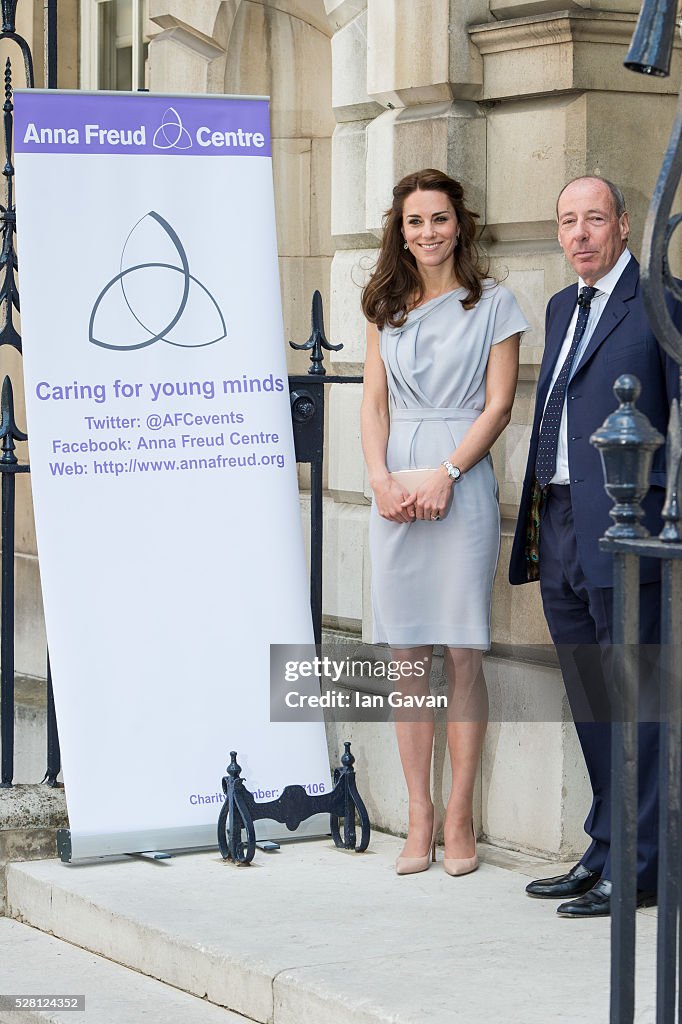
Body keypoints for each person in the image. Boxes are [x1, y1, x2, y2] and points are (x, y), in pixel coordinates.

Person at [510, 175, 682, 917]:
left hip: (627, 526)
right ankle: (607, 846)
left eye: (593, 220)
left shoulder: (658, 301)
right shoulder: (559, 306)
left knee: (636, 700)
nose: (580, 233)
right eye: (567, 221)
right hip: (561, 526)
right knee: (589, 698)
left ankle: (642, 864)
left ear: (621, 226)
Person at [361, 168, 528, 876]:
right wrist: (380, 480)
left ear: (459, 223)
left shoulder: (495, 303)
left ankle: (459, 814)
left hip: (460, 481)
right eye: (413, 222)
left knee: (461, 651)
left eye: (437, 219)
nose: (426, 232)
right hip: (395, 487)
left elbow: (498, 407)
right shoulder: (384, 306)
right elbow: (372, 404)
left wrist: (447, 474)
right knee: (406, 656)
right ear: (399, 233)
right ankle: (418, 815)